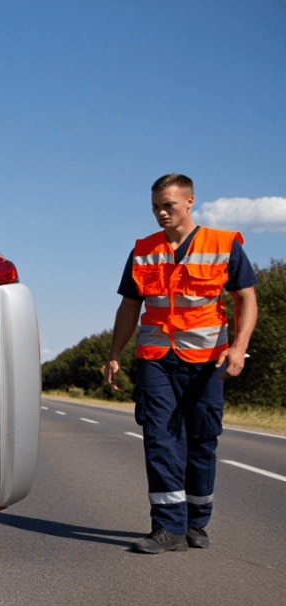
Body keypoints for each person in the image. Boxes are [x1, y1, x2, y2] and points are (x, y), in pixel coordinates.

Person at [104, 174, 258, 554]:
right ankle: (167, 527)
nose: (161, 212)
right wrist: (115, 353)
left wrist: (238, 348)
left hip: (207, 360)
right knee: (160, 438)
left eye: (168, 205)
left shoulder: (223, 245)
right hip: (156, 359)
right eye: (155, 206)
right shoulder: (143, 250)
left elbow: (246, 299)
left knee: (202, 439)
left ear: (190, 202)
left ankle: (196, 521)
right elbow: (129, 306)